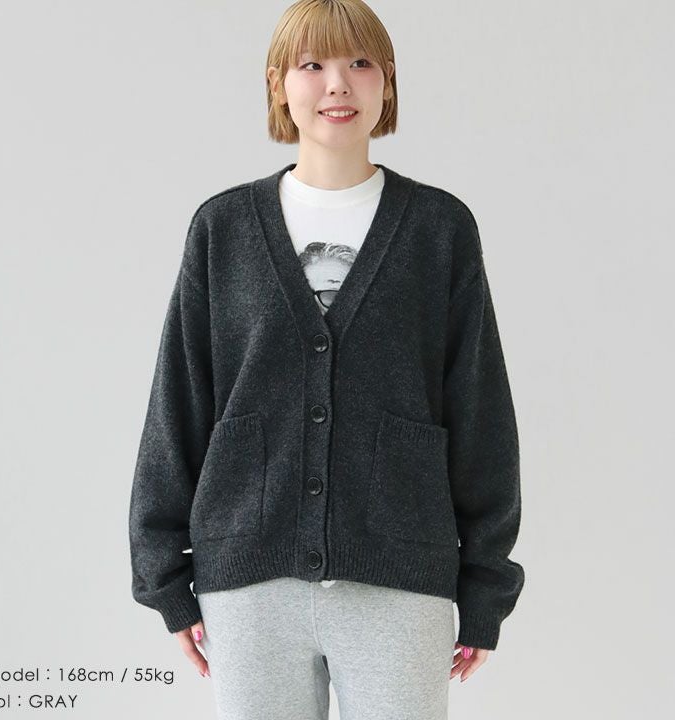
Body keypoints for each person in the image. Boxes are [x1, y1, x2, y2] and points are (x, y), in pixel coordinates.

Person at [128, 1, 525, 717]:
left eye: (359, 63)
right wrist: (164, 575)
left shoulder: (439, 229)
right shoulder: (223, 228)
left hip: (400, 579)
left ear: (387, 81)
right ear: (278, 83)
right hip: (248, 584)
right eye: (312, 65)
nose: (337, 83)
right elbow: (179, 400)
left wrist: (486, 585)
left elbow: (480, 409)